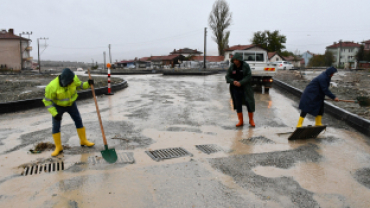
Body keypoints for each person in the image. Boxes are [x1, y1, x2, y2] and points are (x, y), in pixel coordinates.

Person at [43, 68, 95, 156]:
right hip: (58, 106)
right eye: (69, 82)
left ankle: (83, 140)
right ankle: (58, 147)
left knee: (78, 120)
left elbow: (80, 85)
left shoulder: (73, 78)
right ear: (64, 81)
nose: (72, 82)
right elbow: (47, 101)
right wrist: (54, 113)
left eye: (72, 81)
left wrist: (88, 84)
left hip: (71, 104)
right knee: (56, 125)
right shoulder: (52, 86)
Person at [225, 53, 255, 127]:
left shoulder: (245, 66)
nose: (235, 61)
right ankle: (240, 121)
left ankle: (251, 120)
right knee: (238, 104)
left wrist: (241, 82)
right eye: (234, 60)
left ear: (240, 60)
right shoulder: (232, 67)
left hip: (245, 88)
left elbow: (248, 76)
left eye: (237, 60)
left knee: (249, 103)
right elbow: (227, 76)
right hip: (235, 88)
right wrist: (233, 81)